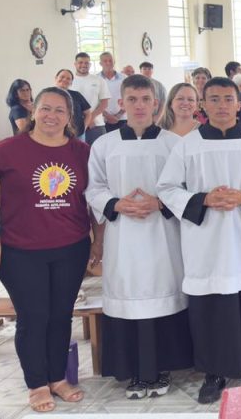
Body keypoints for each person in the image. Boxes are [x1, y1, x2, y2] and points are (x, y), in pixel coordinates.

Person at [156, 77, 241, 404]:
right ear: (203, 105)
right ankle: (213, 373)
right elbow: (168, 188)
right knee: (209, 309)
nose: (222, 105)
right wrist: (203, 200)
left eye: (228, 99)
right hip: (206, 241)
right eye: (214, 99)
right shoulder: (188, 145)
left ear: (238, 103)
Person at [0, 87, 93, 413]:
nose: (52, 116)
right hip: (19, 250)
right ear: (33, 112)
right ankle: (36, 384)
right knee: (34, 317)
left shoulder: (81, 152)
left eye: (60, 110)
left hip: (71, 247)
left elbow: (92, 196)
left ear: (69, 117)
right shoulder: (7, 150)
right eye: (46, 108)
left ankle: (57, 377)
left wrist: (97, 240)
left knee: (61, 315)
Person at [85, 75, 193, 399]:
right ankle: (134, 370)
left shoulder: (173, 143)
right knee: (128, 296)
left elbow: (186, 187)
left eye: (145, 99)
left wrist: (159, 202)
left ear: (156, 104)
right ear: (122, 103)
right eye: (132, 99)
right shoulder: (104, 144)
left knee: (163, 292)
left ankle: (160, 369)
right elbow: (94, 187)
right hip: (123, 235)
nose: (139, 105)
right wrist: (117, 203)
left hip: (163, 233)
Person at [71, 52, 111, 143]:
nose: (83, 65)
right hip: (75, 126)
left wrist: (90, 118)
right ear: (75, 64)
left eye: (86, 63)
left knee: (100, 155)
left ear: (90, 65)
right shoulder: (70, 81)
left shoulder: (99, 80)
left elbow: (104, 103)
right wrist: (84, 121)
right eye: (80, 62)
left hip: (96, 125)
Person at [54, 70, 92, 139]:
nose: (65, 79)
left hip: (77, 135)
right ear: (56, 78)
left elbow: (88, 113)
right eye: (62, 77)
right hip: (55, 134)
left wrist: (84, 128)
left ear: (71, 82)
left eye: (68, 78)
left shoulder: (76, 95)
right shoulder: (47, 94)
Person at [99, 52, 128, 133]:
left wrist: (119, 115)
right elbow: (95, 101)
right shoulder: (96, 79)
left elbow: (129, 97)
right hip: (103, 120)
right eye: (105, 61)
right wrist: (107, 116)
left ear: (114, 62)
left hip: (122, 118)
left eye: (110, 60)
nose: (108, 63)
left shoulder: (124, 78)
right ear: (100, 63)